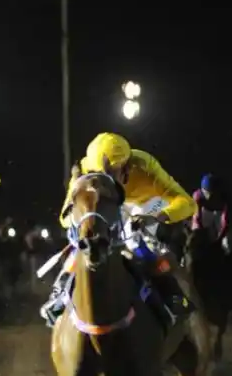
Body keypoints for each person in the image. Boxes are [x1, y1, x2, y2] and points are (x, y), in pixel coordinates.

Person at [40, 132, 198, 328]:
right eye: (99, 174)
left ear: (127, 166)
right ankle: (60, 293)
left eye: (112, 172)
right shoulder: (83, 170)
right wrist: (80, 219)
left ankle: (173, 296)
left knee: (138, 241)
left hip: (146, 205)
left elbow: (188, 203)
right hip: (108, 207)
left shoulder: (145, 165)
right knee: (81, 244)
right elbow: (64, 218)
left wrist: (156, 217)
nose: (105, 180)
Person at [192, 173, 229, 244]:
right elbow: (197, 218)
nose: (209, 197)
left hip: (219, 212)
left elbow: (225, 221)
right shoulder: (198, 196)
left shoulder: (225, 197)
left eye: (212, 194)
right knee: (196, 233)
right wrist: (201, 236)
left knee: (225, 241)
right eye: (207, 193)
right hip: (206, 211)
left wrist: (219, 240)